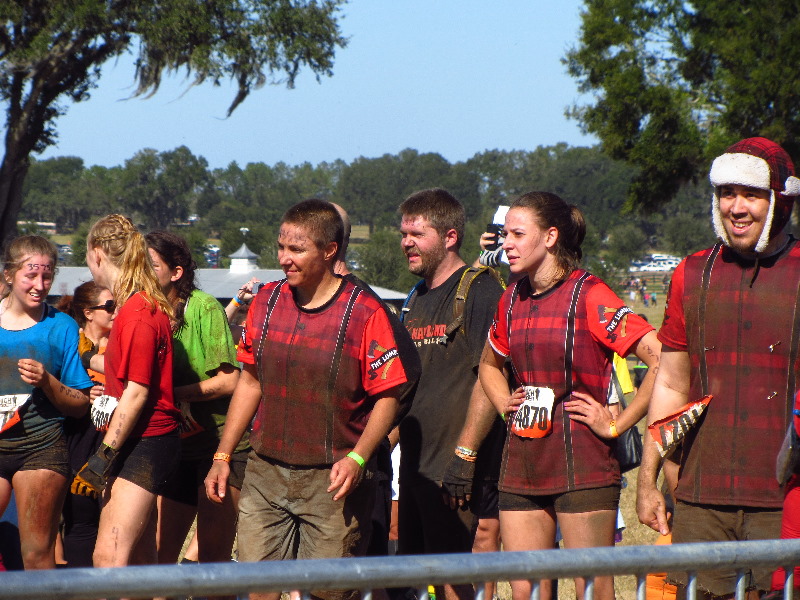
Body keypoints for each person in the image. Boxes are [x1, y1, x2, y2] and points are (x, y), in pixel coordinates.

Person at [205, 199, 417, 600]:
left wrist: (358, 459)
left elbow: (389, 397)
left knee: (328, 593)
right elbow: (250, 382)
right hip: (265, 472)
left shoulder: (366, 312)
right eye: (281, 247)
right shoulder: (265, 302)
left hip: (333, 481)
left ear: (329, 250)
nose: (284, 258)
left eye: (297, 249)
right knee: (257, 588)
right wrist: (222, 454)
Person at [637, 137, 800, 599]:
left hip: (786, 499)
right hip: (700, 497)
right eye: (727, 193)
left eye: (751, 194)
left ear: (781, 200)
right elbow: (671, 383)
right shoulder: (691, 272)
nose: (737, 207)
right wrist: (648, 478)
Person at [479, 191, 660, 600]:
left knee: (592, 589)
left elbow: (660, 358)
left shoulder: (590, 293)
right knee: (526, 591)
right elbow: (489, 365)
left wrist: (616, 423)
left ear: (550, 237)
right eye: (505, 234)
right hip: (522, 458)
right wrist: (504, 404)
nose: (506, 243)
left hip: (584, 459)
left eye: (517, 234)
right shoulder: (510, 298)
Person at [397, 188, 505, 600]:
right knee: (415, 573)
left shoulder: (479, 290)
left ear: (450, 237)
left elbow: (489, 377)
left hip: (455, 468)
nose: (407, 242)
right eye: (404, 234)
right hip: (415, 466)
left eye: (417, 234)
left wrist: (465, 456)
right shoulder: (415, 298)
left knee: (453, 577)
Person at [79, 214, 181, 569]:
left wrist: (102, 456)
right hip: (135, 439)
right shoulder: (130, 307)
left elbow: (137, 393)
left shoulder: (138, 313)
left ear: (97, 253)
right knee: (139, 557)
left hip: (146, 441)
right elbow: (123, 370)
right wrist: (88, 358)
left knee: (108, 557)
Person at [145, 231, 244, 577]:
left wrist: (172, 394)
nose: (142, 272)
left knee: (214, 561)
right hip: (174, 446)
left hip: (219, 446)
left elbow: (229, 381)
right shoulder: (145, 310)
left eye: (151, 265)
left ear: (176, 272)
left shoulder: (204, 307)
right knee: (160, 556)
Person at [0, 235, 93, 569]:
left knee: (37, 553)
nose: (39, 285)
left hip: (41, 448)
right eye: (31, 275)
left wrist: (47, 381)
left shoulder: (61, 326)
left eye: (47, 275)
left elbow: (80, 402)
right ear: (9, 274)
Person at [55, 282, 116, 567]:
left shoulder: (121, 344)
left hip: (116, 443)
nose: (116, 312)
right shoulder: (72, 345)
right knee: (82, 520)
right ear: (88, 313)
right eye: (109, 307)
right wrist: (80, 393)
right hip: (78, 441)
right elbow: (55, 387)